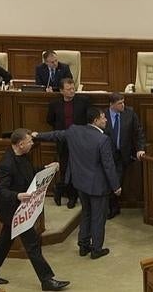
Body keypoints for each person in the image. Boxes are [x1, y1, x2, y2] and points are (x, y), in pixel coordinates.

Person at [0, 128, 70, 291]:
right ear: (20, 144)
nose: (32, 144)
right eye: (29, 142)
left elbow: (29, 173)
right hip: (13, 210)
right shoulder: (6, 164)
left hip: (19, 207)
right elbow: (1, 190)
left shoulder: (23, 156)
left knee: (4, 242)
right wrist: (18, 196)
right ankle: (47, 280)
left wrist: (45, 167)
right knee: (32, 244)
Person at [34, 107, 120, 259]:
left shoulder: (74, 131)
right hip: (98, 186)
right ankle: (96, 249)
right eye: (103, 117)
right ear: (95, 120)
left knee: (86, 213)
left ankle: (83, 245)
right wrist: (116, 186)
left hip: (80, 183)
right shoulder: (103, 139)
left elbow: (56, 135)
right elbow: (108, 165)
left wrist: (37, 135)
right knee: (98, 217)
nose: (106, 119)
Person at [46, 78, 91, 208]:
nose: (72, 91)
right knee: (65, 168)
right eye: (69, 89)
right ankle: (63, 192)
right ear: (61, 91)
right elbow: (50, 120)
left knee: (77, 168)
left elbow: (88, 120)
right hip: (63, 141)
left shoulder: (83, 102)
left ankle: (70, 195)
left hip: (79, 141)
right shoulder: (54, 104)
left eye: (73, 88)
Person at [104, 92, 146, 219]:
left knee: (117, 180)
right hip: (106, 154)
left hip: (123, 154)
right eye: (119, 103)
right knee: (107, 180)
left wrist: (140, 149)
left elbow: (138, 133)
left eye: (123, 102)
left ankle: (114, 207)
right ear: (111, 104)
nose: (123, 105)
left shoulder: (130, 113)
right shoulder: (103, 115)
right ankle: (108, 206)